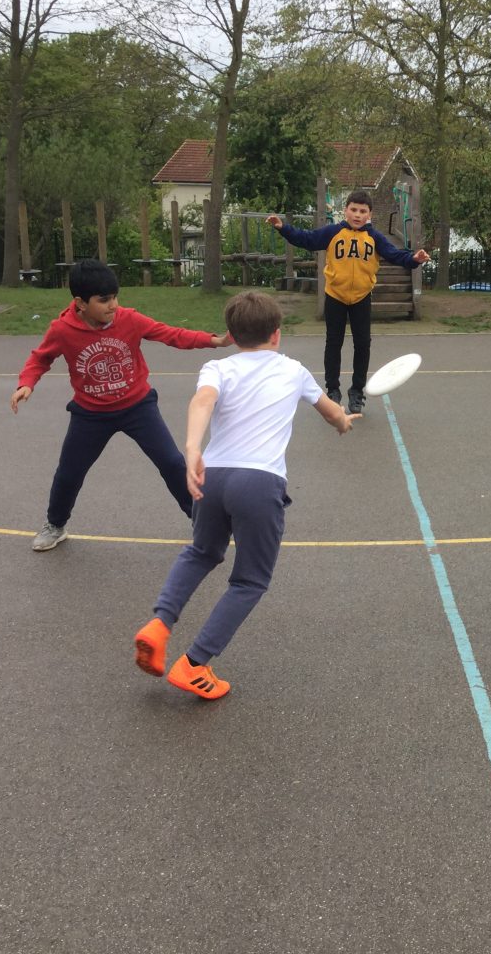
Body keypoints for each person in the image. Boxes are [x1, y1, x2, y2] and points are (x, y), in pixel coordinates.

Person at [134, 291, 360, 699]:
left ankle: (159, 625)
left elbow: (203, 401)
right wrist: (343, 422)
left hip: (214, 475)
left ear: (232, 335)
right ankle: (194, 663)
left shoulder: (217, 367)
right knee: (251, 580)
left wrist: (192, 448)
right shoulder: (293, 370)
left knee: (201, 552)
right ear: (277, 334)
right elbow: (330, 412)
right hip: (258, 481)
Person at [10, 258, 231, 552]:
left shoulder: (129, 319)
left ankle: (204, 522)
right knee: (69, 473)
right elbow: (41, 357)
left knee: (172, 463)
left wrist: (215, 341)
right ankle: (55, 525)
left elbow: (171, 334)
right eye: (104, 300)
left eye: (115, 297)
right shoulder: (62, 330)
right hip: (90, 414)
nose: (113, 305)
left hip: (137, 407)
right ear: (80, 303)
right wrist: (26, 383)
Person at [267, 191, 430, 415]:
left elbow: (395, 255)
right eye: (353, 209)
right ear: (346, 210)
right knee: (333, 343)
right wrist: (283, 228)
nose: (357, 215)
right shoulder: (333, 232)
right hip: (335, 296)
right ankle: (332, 390)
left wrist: (413, 259)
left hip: (361, 297)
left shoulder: (374, 237)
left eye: (363, 211)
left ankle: (357, 392)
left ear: (369, 214)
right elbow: (307, 239)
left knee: (362, 344)